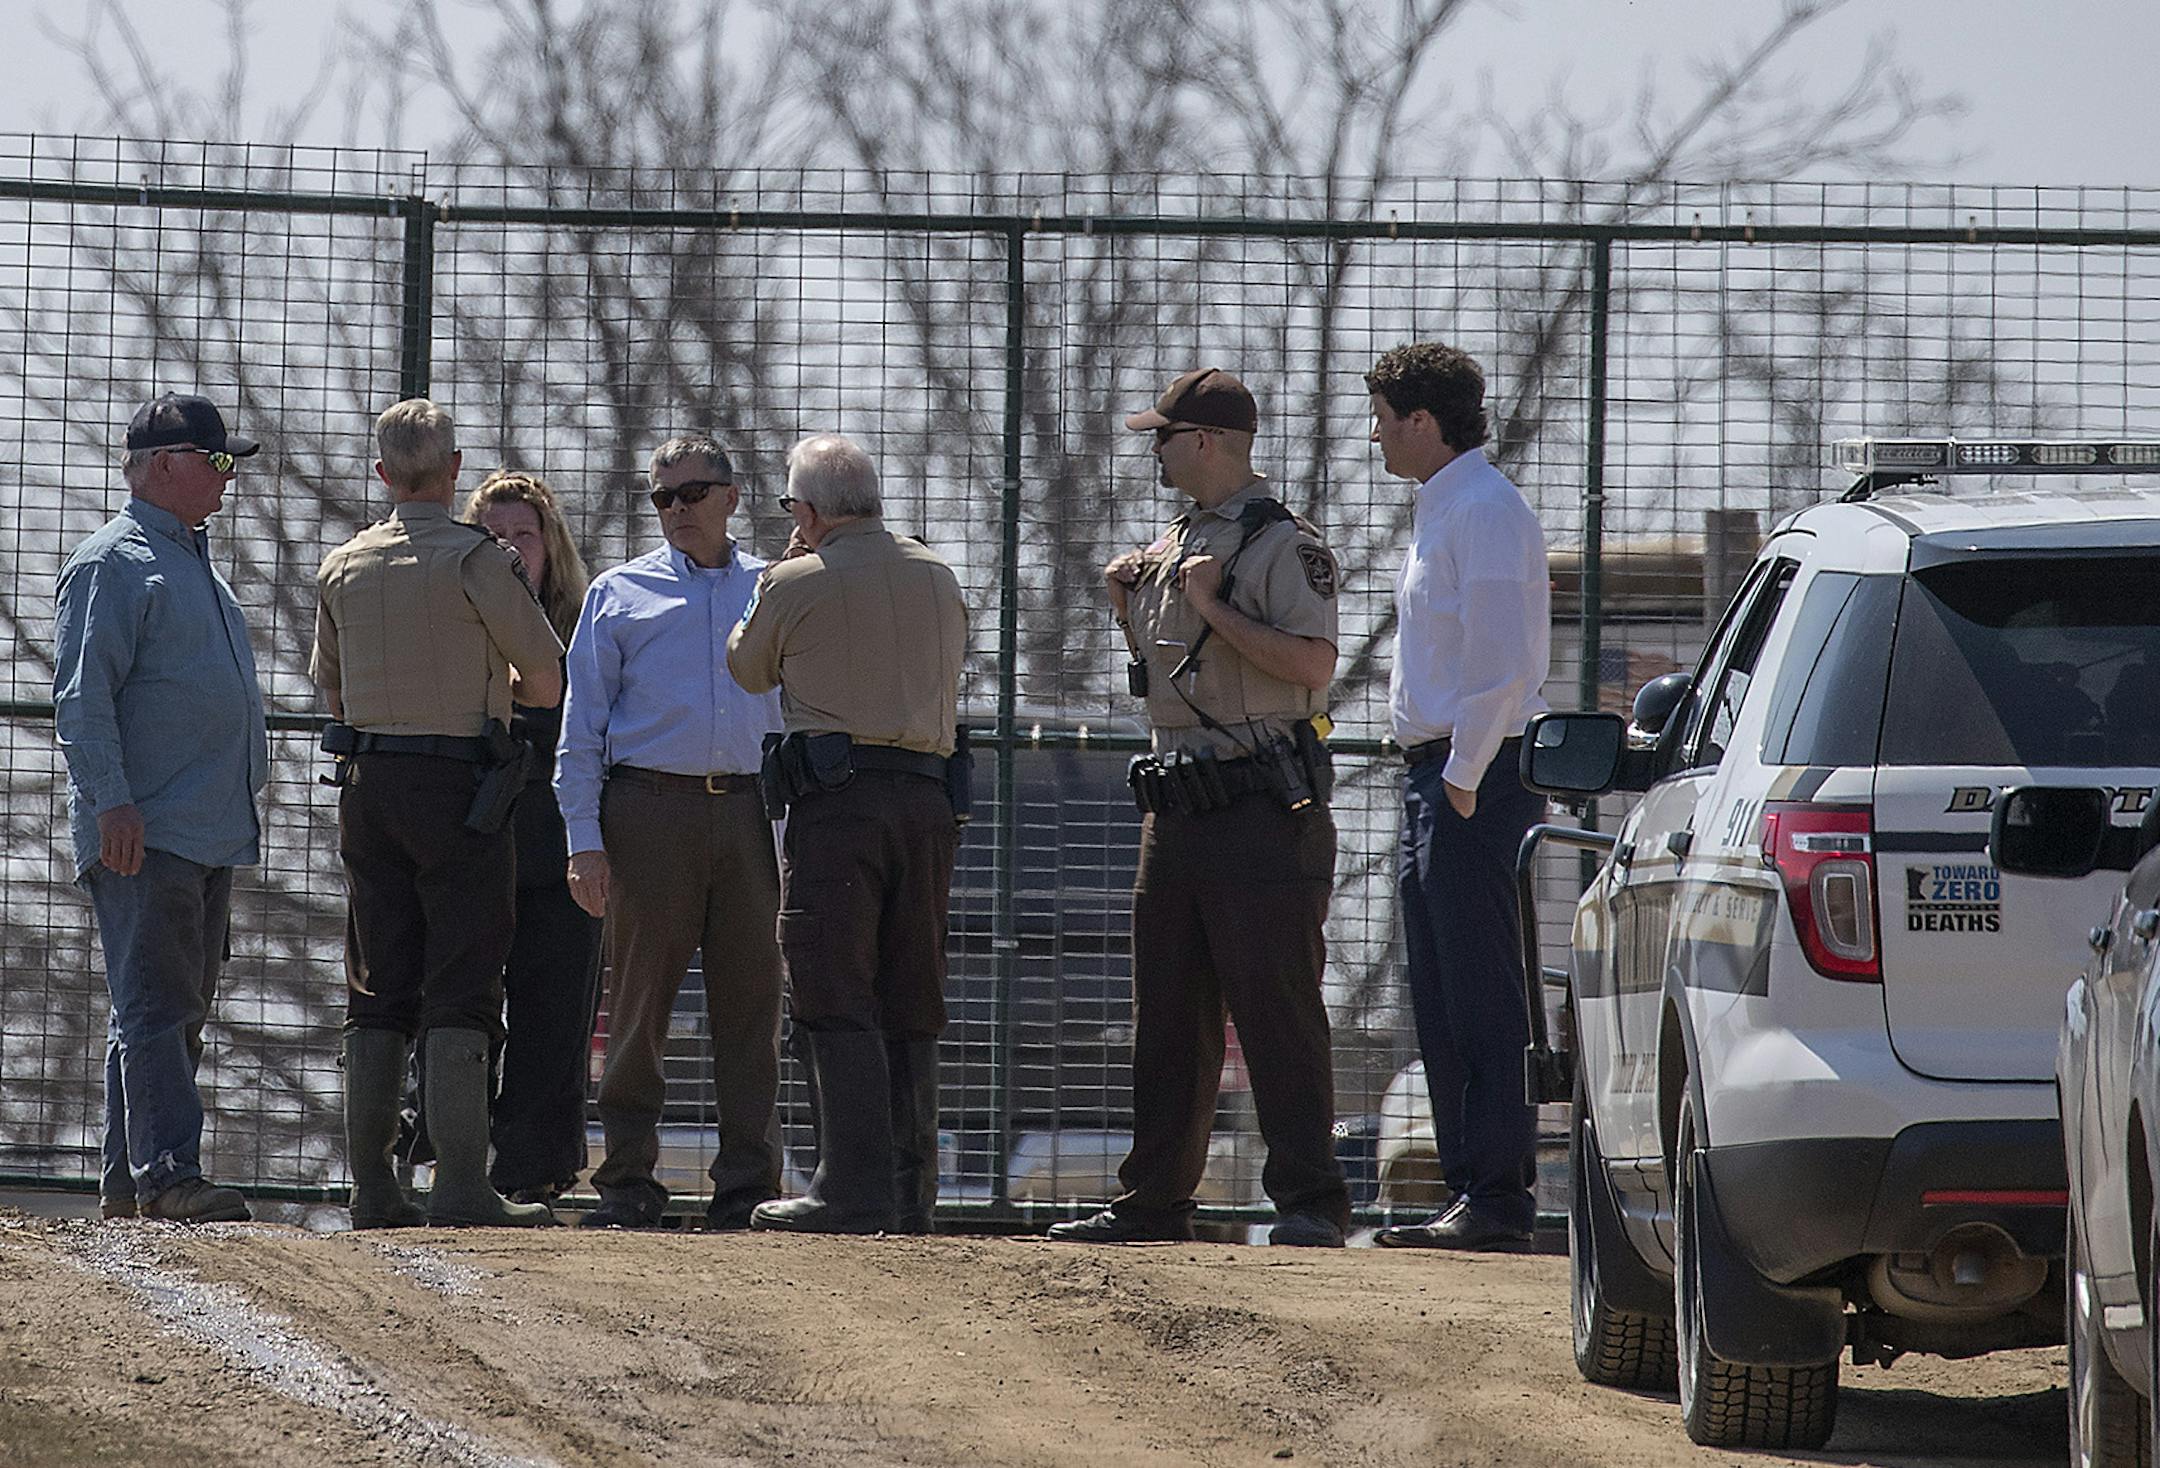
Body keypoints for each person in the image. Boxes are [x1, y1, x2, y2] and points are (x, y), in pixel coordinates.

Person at [1047, 367, 1351, 1250]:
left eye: (1165, 435)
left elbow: (1311, 666)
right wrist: (1123, 605)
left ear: (1208, 442)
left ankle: (1309, 1202)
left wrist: (1211, 604)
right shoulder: (1178, 539)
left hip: (1260, 802)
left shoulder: (1280, 545)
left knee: (1276, 1008)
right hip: (1176, 802)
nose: (1155, 449)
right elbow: (1169, 682)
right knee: (1169, 1013)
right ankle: (1152, 1202)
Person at [314, 398, 566, 1229]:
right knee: (463, 975)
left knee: (377, 977)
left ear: (383, 475)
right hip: (462, 792)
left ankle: (373, 1188)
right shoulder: (478, 561)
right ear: (454, 471)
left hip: (369, 790)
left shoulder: (344, 565)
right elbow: (547, 678)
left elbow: (332, 687)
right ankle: (461, 1184)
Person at [725, 433, 967, 1235]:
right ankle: (910, 1191)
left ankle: (847, 1185)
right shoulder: (937, 573)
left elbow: (746, 667)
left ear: (809, 510)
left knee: (833, 985)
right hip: (928, 803)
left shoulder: (794, 581)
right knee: (911, 992)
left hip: (840, 807)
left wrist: (778, 575)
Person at [557, 436, 786, 1231]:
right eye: (663, 497)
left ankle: (749, 1187)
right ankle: (624, 1181)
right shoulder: (620, 594)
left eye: (693, 492)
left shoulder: (777, 587)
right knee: (638, 1003)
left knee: (753, 1004)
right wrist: (584, 839)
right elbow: (580, 730)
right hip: (647, 810)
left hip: (756, 812)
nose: (678, 509)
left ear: (732, 496)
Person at [53, 392, 268, 1225]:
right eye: (215, 463)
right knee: (159, 1005)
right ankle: (170, 1173)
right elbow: (81, 699)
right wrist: (113, 803)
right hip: (148, 826)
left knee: (163, 1005)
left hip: (204, 829)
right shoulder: (113, 561)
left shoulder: (191, 561)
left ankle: (127, 1180)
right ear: (166, 465)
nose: (225, 479)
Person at [1366, 341, 1552, 1250]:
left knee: (1482, 990)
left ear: (1423, 423)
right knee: (1437, 991)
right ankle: (1468, 1190)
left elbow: (1504, 666)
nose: (1374, 436)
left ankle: (1498, 1196)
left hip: (1473, 777)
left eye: (1383, 419)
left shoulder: (1483, 512)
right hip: (1437, 777)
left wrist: (1465, 778)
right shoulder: (1446, 509)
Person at [459, 469, 601, 1207]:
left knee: (555, 1011)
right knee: (464, 1001)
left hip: (563, 840)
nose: (511, 550)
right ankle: (454, 1159)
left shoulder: (587, 622)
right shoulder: (451, 612)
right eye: (492, 537)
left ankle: (534, 1166)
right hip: (473, 836)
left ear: (551, 545)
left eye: (524, 535)